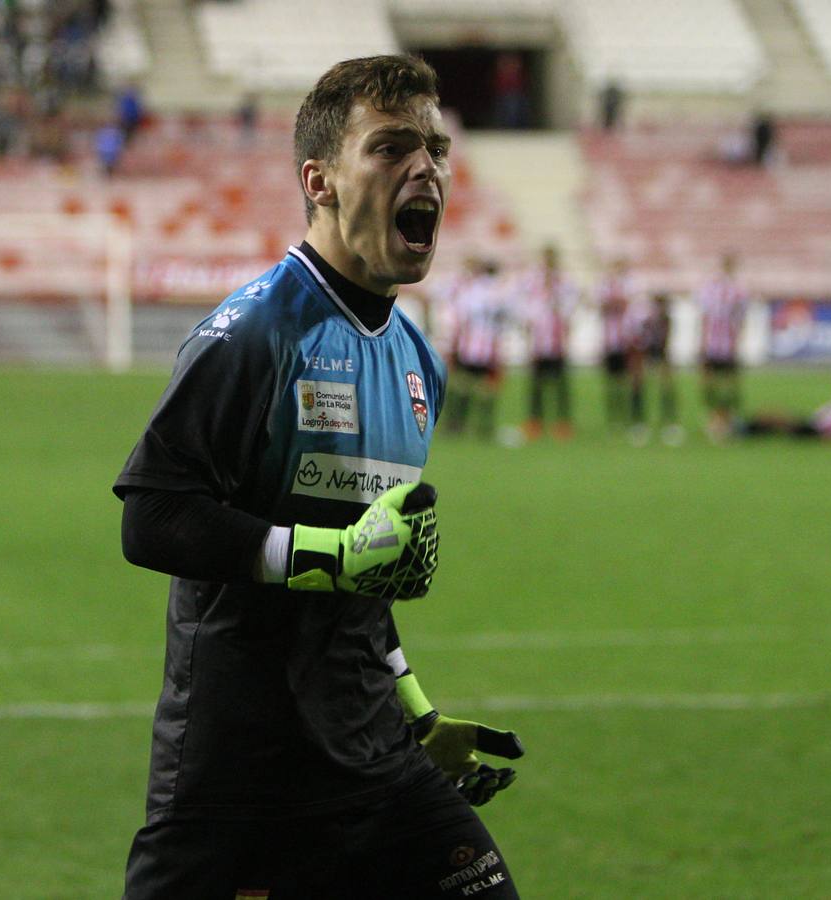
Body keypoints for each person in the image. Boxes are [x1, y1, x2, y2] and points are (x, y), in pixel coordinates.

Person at [113, 56, 524, 899]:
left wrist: (417, 712)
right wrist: (327, 553)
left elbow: (364, 586)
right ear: (321, 180)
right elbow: (152, 514)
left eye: (437, 148)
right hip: (241, 781)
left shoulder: (417, 363)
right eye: (393, 147)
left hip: (378, 760)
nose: (428, 169)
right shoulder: (257, 331)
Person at [736, 365, 831, 444]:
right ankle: (747, 429)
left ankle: (742, 430)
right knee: (775, 420)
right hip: (816, 424)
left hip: (819, 430)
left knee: (775, 417)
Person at [445, 256, 509, 440]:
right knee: (487, 389)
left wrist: (453, 346)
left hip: (469, 346)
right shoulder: (500, 293)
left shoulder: (471, 291)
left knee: (461, 385)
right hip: (489, 348)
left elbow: (460, 320)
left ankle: (457, 424)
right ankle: (484, 427)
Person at [521, 243, 579, 441]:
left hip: (557, 342)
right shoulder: (533, 281)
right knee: (536, 385)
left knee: (560, 385)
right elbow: (527, 308)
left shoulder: (564, 283)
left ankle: (562, 423)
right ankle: (535, 422)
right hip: (539, 342)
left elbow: (570, 308)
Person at [696, 252, 750, 441]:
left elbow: (742, 317)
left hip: (728, 343)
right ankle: (712, 415)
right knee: (709, 382)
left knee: (730, 383)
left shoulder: (739, 290)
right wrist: (702, 342)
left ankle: (728, 418)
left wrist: (738, 340)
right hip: (712, 343)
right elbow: (704, 316)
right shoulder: (709, 288)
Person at [628, 291, 684, 446]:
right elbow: (640, 340)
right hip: (647, 355)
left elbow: (666, 342)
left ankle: (669, 423)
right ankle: (639, 423)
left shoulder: (666, 320)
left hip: (660, 356)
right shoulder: (647, 321)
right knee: (638, 387)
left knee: (666, 389)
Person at [593, 257, 638, 431]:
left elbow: (629, 306)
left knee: (627, 379)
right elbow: (602, 306)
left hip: (627, 340)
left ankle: (628, 415)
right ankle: (614, 416)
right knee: (611, 381)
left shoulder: (631, 284)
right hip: (610, 341)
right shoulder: (605, 285)